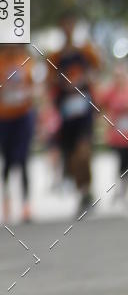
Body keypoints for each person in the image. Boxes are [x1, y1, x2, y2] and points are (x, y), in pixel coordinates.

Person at [46, 12, 101, 217]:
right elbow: (49, 82)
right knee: (73, 158)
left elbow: (96, 71)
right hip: (66, 113)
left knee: (84, 152)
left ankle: (87, 189)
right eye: (65, 25)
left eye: (71, 24)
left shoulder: (86, 51)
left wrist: (82, 80)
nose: (68, 28)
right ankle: (83, 192)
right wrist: (63, 85)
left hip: (84, 109)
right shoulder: (55, 57)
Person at [0, 43, 36, 224]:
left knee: (24, 159)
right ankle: (6, 199)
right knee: (7, 160)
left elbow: (36, 87)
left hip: (23, 116)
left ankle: (26, 205)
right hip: (1, 117)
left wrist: (29, 94)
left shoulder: (27, 61)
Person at [97, 63, 128, 203]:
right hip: (117, 135)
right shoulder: (111, 92)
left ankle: (122, 188)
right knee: (121, 161)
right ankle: (121, 188)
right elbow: (100, 103)